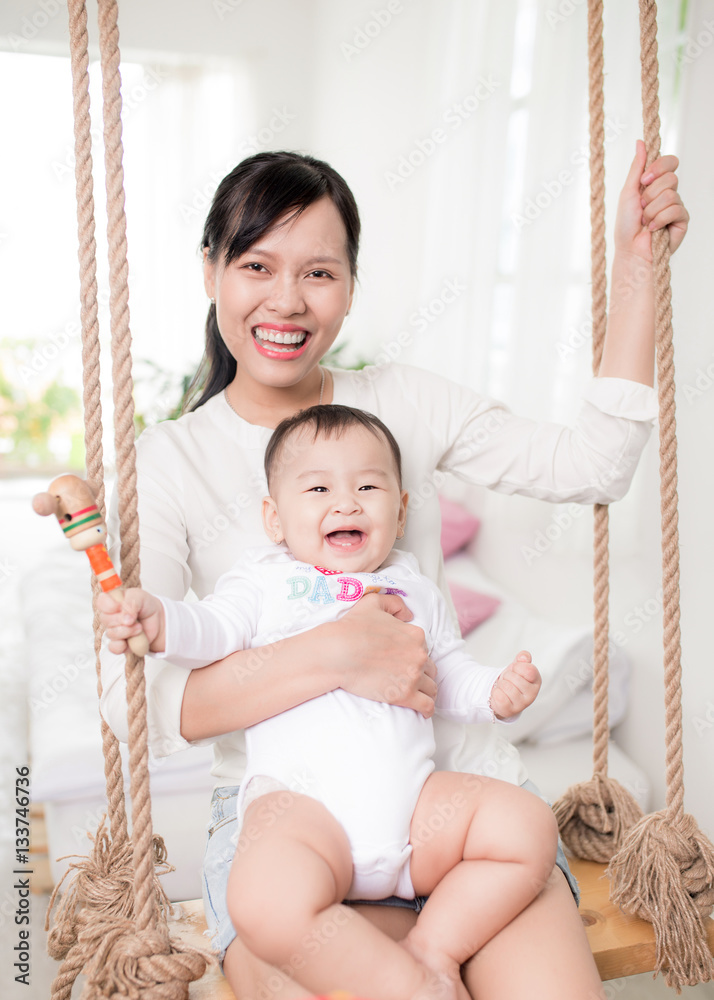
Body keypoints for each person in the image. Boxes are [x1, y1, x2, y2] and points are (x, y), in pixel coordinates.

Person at [100, 145, 688, 999]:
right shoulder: (171, 461)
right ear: (210, 271)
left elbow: (594, 465)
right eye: (256, 265)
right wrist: (337, 656)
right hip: (296, 822)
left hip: (460, 802)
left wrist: (636, 268)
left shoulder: (404, 402)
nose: (287, 302)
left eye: (320, 273)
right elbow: (137, 698)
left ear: (349, 285)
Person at [99, 404, 557, 1000]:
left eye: (368, 486)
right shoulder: (263, 581)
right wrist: (160, 621)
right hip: (304, 813)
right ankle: (410, 984)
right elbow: (207, 629)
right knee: (265, 905)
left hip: (418, 816)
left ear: (402, 511)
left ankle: (434, 948)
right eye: (318, 488)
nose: (346, 503)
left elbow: (447, 675)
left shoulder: (413, 586)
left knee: (527, 828)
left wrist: (496, 694)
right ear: (275, 518)